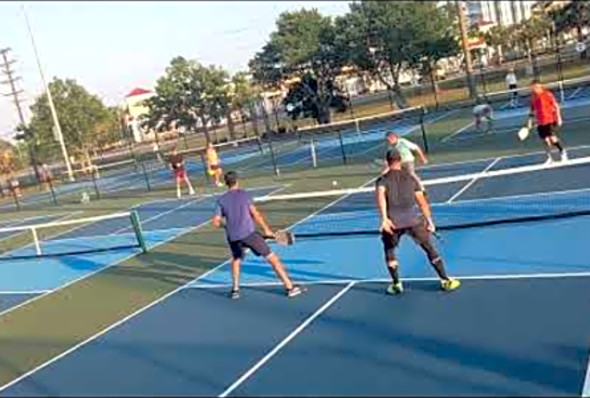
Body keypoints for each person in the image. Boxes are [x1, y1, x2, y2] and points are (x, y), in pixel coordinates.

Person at [376, 148, 460, 295]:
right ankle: (446, 280)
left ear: (387, 162)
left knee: (389, 251)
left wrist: (384, 219)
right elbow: (422, 203)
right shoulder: (411, 177)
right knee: (429, 248)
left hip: (392, 222)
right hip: (413, 220)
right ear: (400, 160)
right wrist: (429, 221)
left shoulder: (382, 180)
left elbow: (381, 200)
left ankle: (396, 284)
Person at [212, 171, 304, 299]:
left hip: (233, 236)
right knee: (273, 258)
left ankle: (235, 290)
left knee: (236, 260)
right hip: (249, 234)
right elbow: (255, 214)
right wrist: (266, 230)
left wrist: (227, 226)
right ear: (237, 181)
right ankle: (290, 287)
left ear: (226, 183)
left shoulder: (221, 200)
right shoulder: (244, 195)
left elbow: (216, 222)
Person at [529, 79, 568, 164]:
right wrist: (532, 121)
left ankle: (562, 152)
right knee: (545, 140)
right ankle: (549, 158)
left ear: (539, 87)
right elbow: (532, 111)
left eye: (535, 87)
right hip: (540, 122)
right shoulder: (533, 98)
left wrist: (559, 117)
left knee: (552, 138)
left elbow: (556, 106)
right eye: (532, 88)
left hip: (550, 119)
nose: (533, 89)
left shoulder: (548, 94)